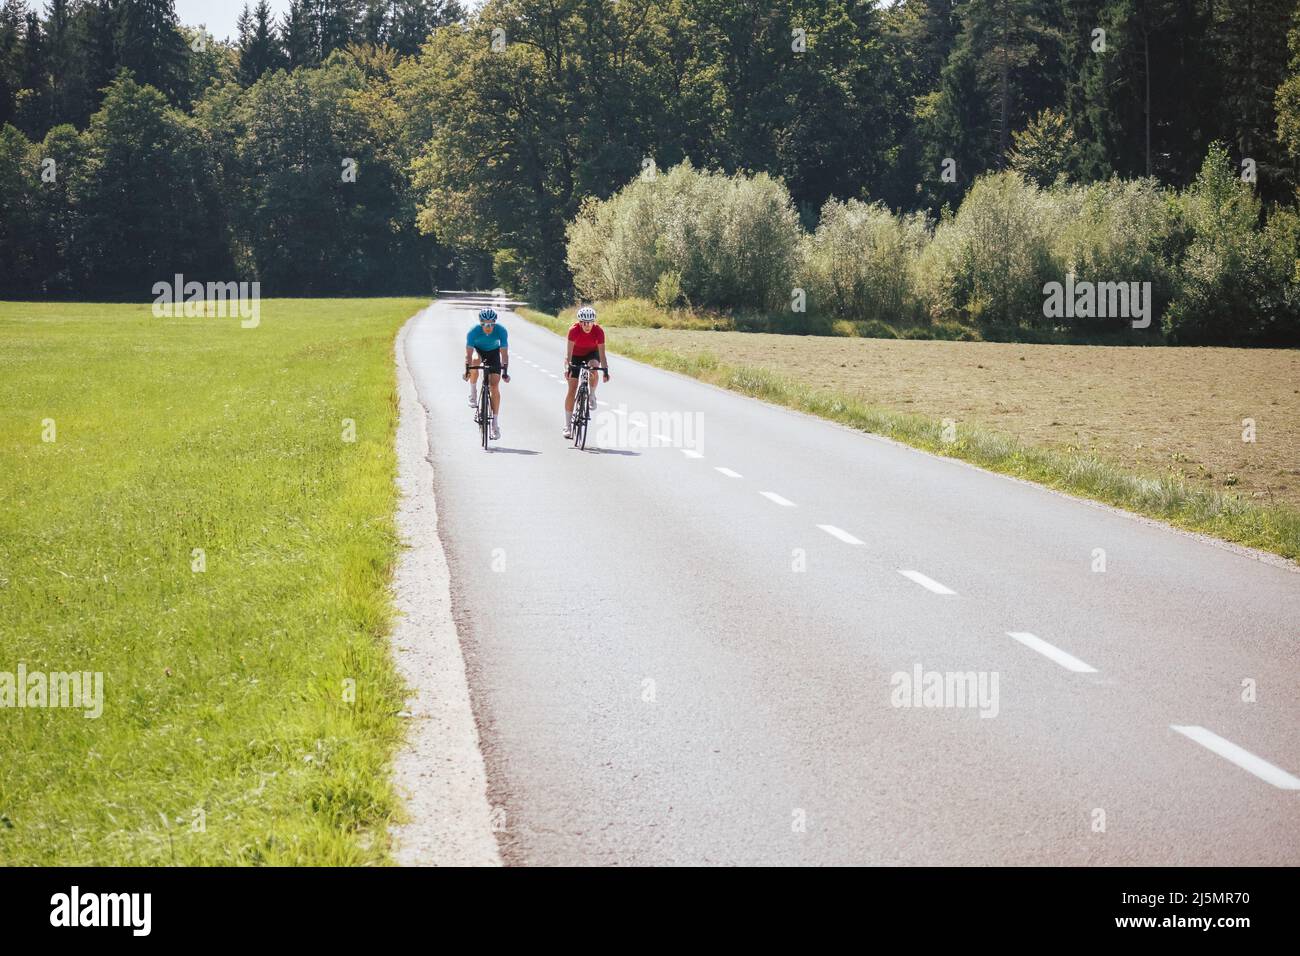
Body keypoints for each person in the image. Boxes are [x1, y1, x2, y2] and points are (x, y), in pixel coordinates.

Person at [564, 306, 610, 438]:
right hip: (575, 355)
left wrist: (605, 370)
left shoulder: (599, 331)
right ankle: (567, 426)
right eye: (584, 322)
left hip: (591, 353)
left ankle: (592, 395)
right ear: (580, 322)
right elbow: (568, 354)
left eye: (590, 322)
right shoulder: (573, 330)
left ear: (593, 322)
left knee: (594, 367)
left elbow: (602, 354)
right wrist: (567, 368)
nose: (587, 325)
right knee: (572, 389)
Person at [464, 308, 510, 439]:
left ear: (494, 323)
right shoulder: (473, 332)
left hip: (493, 353)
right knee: (474, 360)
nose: (487, 327)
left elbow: (504, 353)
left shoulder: (501, 331)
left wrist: (505, 371)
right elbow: (467, 354)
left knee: (494, 386)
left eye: (490, 324)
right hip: (478, 351)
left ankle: (495, 424)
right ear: (480, 323)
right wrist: (467, 370)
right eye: (484, 324)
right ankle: (473, 393)